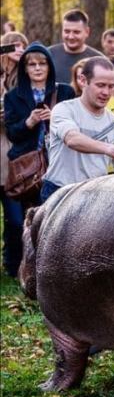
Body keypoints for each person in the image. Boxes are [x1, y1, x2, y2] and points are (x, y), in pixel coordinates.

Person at [40, 57, 114, 202]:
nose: (106, 92)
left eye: (111, 86)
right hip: (59, 192)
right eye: (100, 85)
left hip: (95, 196)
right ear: (83, 81)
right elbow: (72, 139)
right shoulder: (64, 109)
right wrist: (109, 148)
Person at [4, 42, 76, 201]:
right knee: (28, 213)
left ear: (49, 66)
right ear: (25, 68)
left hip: (59, 163)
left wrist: (54, 118)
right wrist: (29, 122)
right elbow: (11, 134)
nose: (37, 68)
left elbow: (77, 127)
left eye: (42, 63)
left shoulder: (65, 92)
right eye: (32, 64)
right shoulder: (12, 97)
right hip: (27, 167)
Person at [0, 31, 29, 278]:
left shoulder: (24, 80)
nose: (19, 49)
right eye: (14, 45)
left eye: (23, 45)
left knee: (16, 219)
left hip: (14, 156)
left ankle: (12, 264)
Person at [47, 9, 103, 84]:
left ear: (87, 32)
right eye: (67, 31)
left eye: (76, 32)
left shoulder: (99, 60)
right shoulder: (48, 55)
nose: (71, 37)